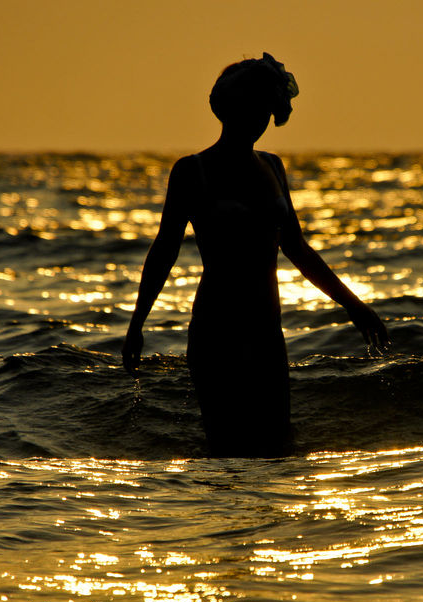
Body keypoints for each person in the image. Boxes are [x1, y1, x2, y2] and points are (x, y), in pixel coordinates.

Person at [122, 53, 388, 457]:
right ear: (228, 108)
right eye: (254, 107)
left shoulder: (273, 166)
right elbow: (165, 251)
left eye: (268, 108)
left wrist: (354, 306)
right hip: (217, 329)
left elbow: (297, 248)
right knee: (225, 450)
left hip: (267, 329)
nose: (262, 118)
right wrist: (136, 324)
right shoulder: (193, 171)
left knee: (278, 447)